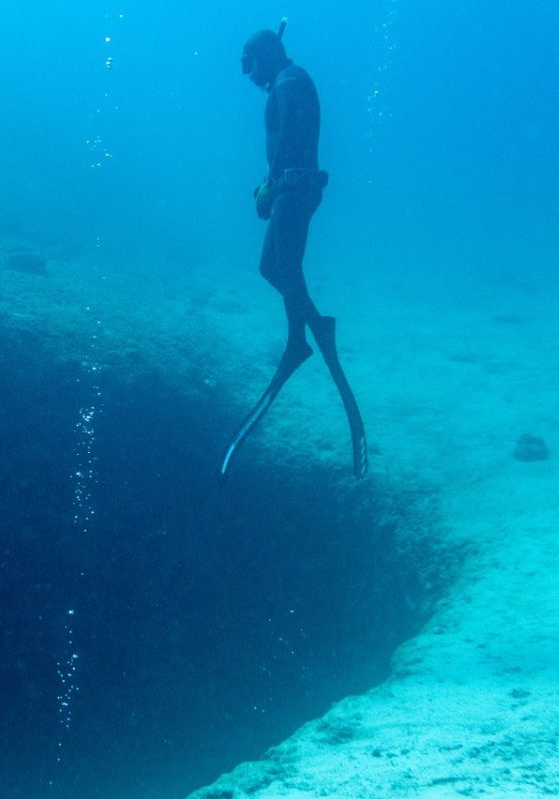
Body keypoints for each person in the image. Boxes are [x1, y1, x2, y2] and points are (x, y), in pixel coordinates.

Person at [219, 20, 367, 482]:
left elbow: (291, 140)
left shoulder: (289, 80)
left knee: (285, 264)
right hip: (291, 188)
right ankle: (306, 332)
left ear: (264, 55)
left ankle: (305, 337)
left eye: (250, 65)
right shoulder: (285, 81)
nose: (249, 76)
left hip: (295, 190)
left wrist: (272, 184)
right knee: (272, 266)